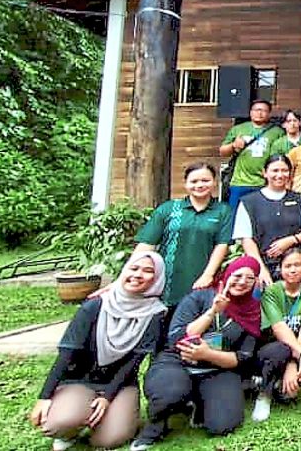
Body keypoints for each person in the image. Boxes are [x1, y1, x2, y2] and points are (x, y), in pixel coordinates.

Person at [32, 253, 166, 451]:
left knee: (108, 440)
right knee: (57, 423)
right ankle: (71, 429)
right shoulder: (95, 305)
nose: (138, 275)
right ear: (124, 271)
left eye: (148, 271)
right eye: (134, 268)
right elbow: (67, 354)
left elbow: (134, 362)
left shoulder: (155, 314)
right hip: (79, 380)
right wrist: (44, 397)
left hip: (120, 385)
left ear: (157, 279)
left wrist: (107, 397)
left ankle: (116, 415)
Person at [132, 256, 263, 449]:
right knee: (168, 393)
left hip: (216, 368)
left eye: (250, 278)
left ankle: (199, 403)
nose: (242, 281)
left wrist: (207, 354)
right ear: (227, 274)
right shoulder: (200, 297)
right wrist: (212, 312)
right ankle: (155, 427)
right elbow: (177, 338)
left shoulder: (252, 311)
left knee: (223, 425)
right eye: (238, 275)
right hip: (177, 360)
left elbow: (242, 357)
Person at [133, 163, 233, 310]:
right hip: (167, 281)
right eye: (194, 181)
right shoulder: (168, 209)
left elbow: (222, 245)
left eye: (205, 180)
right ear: (186, 184)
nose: (199, 185)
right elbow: (147, 244)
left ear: (214, 182)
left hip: (202, 280)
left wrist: (208, 275)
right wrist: (129, 273)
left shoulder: (223, 211)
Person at [253, 248, 301, 421]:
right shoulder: (272, 292)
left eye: (298, 265)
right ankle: (263, 394)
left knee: (289, 395)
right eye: (287, 265)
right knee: (281, 351)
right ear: (280, 269)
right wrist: (294, 358)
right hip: (271, 346)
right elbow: (279, 328)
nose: (293, 269)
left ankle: (278, 386)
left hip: (296, 344)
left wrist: (300, 356)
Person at [233, 155, 301, 283]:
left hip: (294, 268)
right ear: (265, 173)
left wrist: (290, 241)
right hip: (262, 266)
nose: (280, 175)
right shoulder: (249, 201)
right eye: (275, 171)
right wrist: (260, 269)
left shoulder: (300, 199)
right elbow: (246, 239)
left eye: (284, 170)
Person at [219, 99, 284, 210]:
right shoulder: (238, 129)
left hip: (265, 183)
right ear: (250, 112)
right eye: (257, 110)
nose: (260, 113)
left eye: (264, 110)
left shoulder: (277, 132)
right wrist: (233, 145)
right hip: (240, 182)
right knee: (235, 217)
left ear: (269, 113)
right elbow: (222, 152)